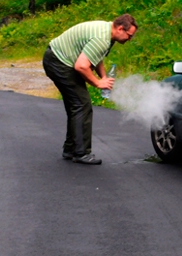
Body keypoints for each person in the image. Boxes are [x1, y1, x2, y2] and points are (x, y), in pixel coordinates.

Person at [43, 14, 137, 165]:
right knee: (82, 104)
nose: (129, 39)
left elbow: (94, 56)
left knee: (76, 105)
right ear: (120, 28)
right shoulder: (102, 38)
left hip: (56, 58)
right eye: (129, 35)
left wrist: (103, 77)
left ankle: (70, 149)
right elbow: (81, 66)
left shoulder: (107, 31)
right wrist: (98, 84)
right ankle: (81, 153)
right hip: (59, 62)